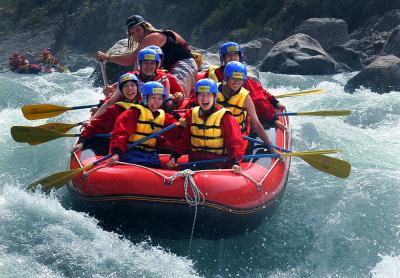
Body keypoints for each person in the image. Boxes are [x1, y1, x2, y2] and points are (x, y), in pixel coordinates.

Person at [96, 15, 197, 97]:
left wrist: (106, 56)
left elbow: (130, 59)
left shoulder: (153, 37)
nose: (136, 34)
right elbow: (136, 74)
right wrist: (116, 86)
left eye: (138, 30)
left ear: (145, 27)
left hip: (183, 65)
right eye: (132, 33)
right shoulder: (144, 51)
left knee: (176, 94)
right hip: (171, 68)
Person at [200, 41, 286, 129]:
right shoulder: (213, 74)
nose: (233, 57)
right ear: (223, 58)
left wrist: (274, 103)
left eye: (235, 54)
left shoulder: (242, 77)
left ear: (240, 57)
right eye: (229, 55)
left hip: (238, 118)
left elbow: (259, 93)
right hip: (219, 119)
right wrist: (274, 118)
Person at [166, 78, 244, 174]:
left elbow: (234, 142)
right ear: (197, 97)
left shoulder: (225, 116)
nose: (204, 98)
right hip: (195, 163)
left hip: (218, 165)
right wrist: (174, 157)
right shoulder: (191, 114)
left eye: (208, 94)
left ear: (215, 97)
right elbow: (184, 139)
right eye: (201, 94)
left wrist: (235, 162)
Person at [92, 48, 184, 119]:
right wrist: (92, 119)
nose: (149, 67)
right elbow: (110, 103)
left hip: (153, 119)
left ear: (157, 65)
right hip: (129, 116)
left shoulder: (164, 80)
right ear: (139, 64)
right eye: (145, 63)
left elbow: (165, 106)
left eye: (152, 63)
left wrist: (176, 101)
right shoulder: (129, 79)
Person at [108, 81, 181, 168]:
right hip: (131, 152)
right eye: (153, 97)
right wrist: (116, 153)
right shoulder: (134, 112)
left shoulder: (164, 116)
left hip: (151, 154)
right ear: (145, 98)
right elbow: (120, 132)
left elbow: (179, 135)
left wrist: (174, 156)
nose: (156, 102)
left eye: (160, 98)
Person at [72, 73, 140, 154]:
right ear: (121, 91)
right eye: (125, 86)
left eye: (132, 85)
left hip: (139, 146)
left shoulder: (145, 108)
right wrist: (82, 141)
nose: (129, 88)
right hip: (119, 146)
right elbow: (96, 125)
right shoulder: (115, 109)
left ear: (137, 88)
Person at [217, 61, 275, 151]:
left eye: (240, 79)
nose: (237, 82)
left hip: (237, 137)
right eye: (233, 78)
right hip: (216, 135)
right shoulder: (214, 92)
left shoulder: (245, 98)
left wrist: (270, 145)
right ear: (226, 77)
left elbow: (256, 122)